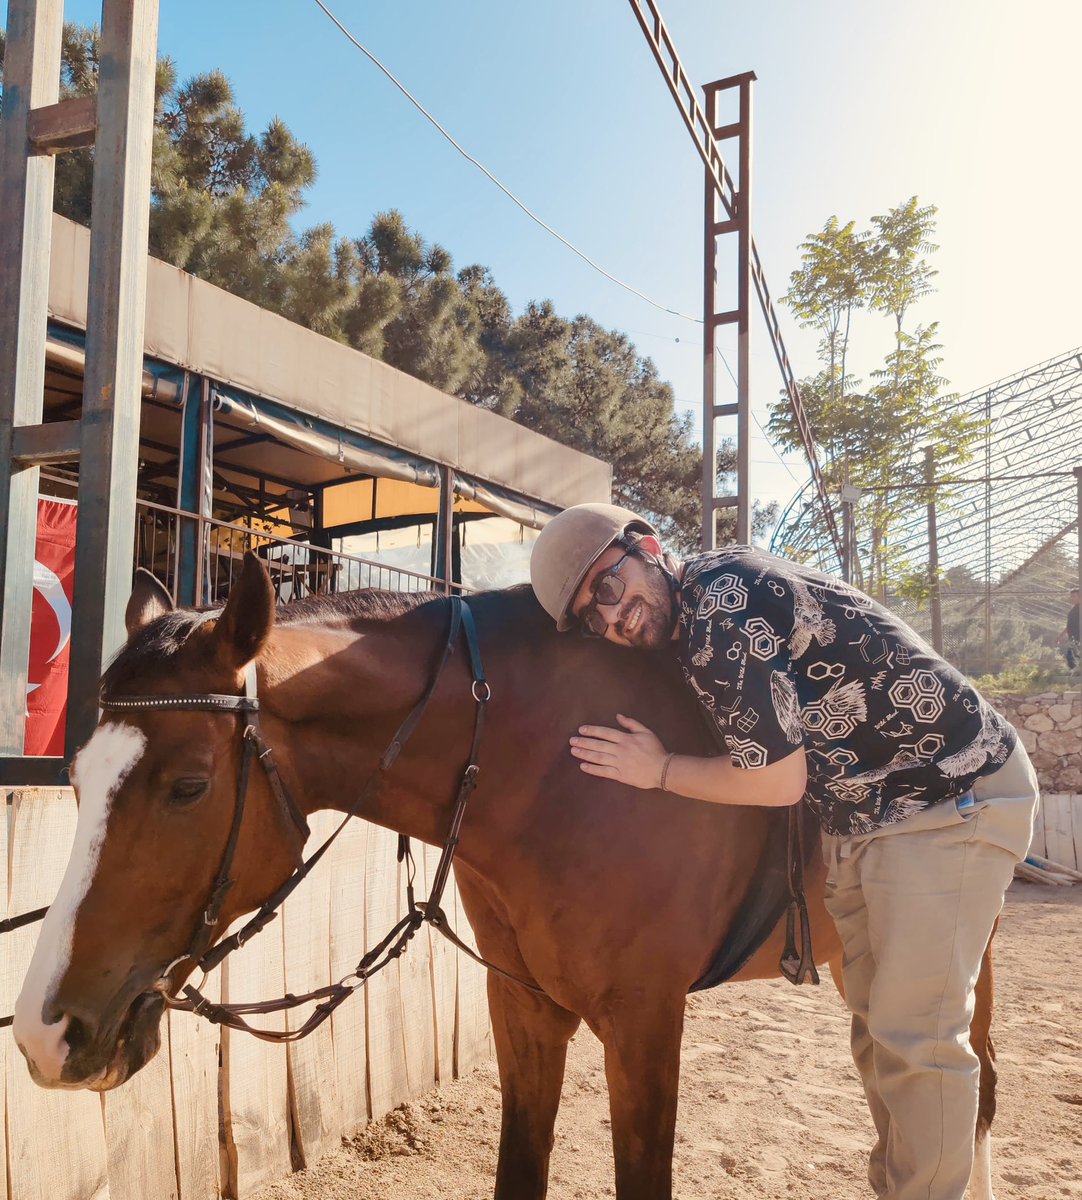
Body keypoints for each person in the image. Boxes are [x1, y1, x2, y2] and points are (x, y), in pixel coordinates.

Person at [529, 503, 1038, 1200]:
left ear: (646, 546)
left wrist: (660, 770)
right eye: (593, 617)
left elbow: (776, 780)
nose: (613, 619)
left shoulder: (717, 617)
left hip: (948, 793)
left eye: (610, 588)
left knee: (916, 1041)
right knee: (883, 1037)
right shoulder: (697, 605)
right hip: (871, 815)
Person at [1055, 586, 1079, 671]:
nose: (1071, 598)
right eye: (1071, 596)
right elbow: (1069, 626)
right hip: (1073, 638)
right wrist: (1060, 636)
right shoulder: (1073, 610)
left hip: (1079, 639)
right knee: (1071, 659)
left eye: (1073, 596)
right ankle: (1076, 676)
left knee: (1073, 658)